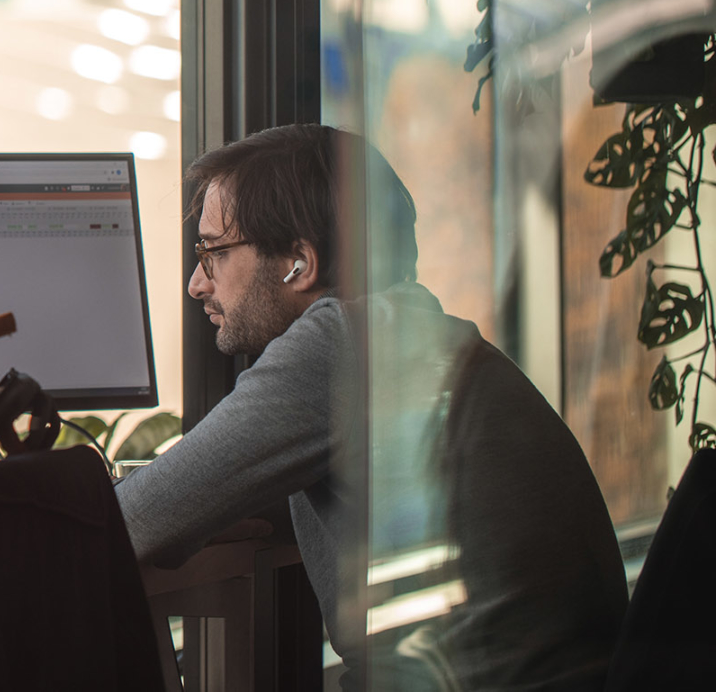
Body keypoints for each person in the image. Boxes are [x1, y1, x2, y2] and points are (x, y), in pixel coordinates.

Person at [114, 124, 628, 692]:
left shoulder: (340, 343)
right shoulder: (412, 338)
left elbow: (132, 522)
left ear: (298, 264)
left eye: (213, 252)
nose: (195, 284)